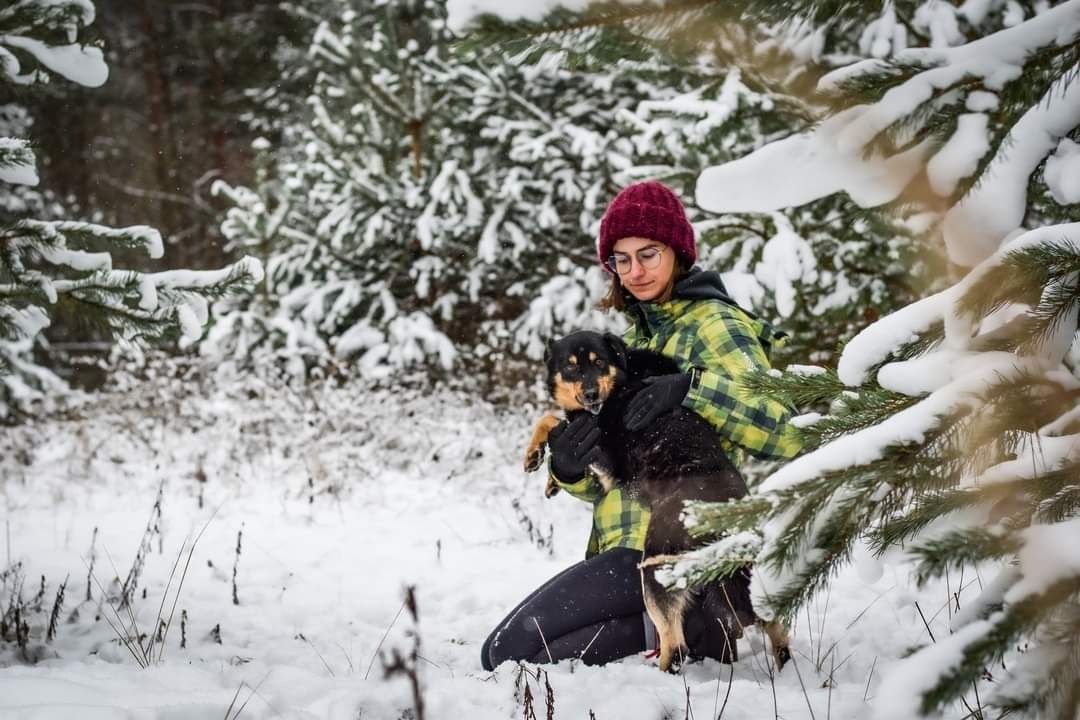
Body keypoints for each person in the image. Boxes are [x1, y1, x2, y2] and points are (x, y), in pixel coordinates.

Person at [480, 181, 801, 671]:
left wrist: (690, 388)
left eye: (648, 254)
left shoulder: (715, 324)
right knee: (521, 657)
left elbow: (783, 430)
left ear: (678, 251)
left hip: (687, 552)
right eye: (621, 260)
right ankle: (692, 628)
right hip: (629, 558)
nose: (636, 271)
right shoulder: (625, 344)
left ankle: (697, 626)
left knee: (512, 654)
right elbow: (619, 481)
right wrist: (568, 469)